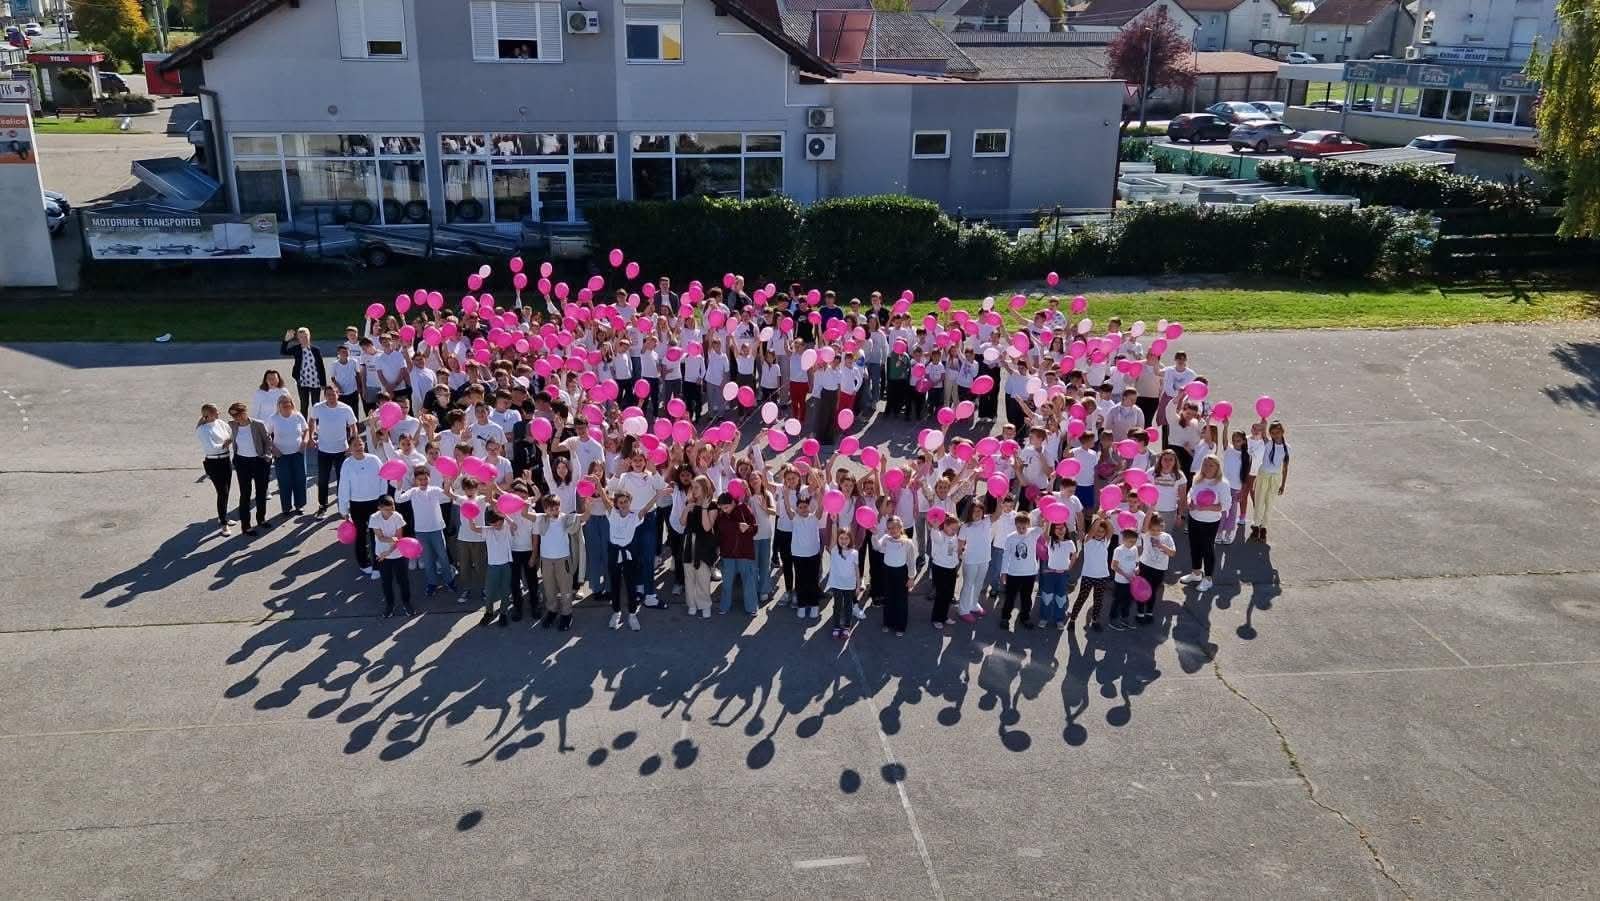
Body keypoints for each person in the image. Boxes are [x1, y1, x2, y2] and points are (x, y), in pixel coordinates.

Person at [597, 484, 661, 631]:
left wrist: (658, 495)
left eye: (626, 501)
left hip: (629, 553)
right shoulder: (612, 513)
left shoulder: (634, 516)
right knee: (615, 583)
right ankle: (616, 612)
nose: (624, 504)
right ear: (616, 504)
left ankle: (632, 614)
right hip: (614, 552)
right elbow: (604, 498)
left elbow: (647, 508)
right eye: (620, 502)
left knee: (631, 584)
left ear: (630, 502)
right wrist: (598, 483)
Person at [397, 465, 455, 596]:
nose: (423, 482)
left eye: (425, 479)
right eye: (420, 479)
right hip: (421, 531)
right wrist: (399, 486)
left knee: (443, 557)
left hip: (437, 529)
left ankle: (449, 581)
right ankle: (432, 583)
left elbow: (448, 497)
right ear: (415, 480)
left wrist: (447, 483)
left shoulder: (435, 490)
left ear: (429, 478)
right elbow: (398, 499)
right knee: (428, 559)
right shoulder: (413, 492)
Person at [337, 436, 386, 577]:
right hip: (357, 505)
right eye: (355, 445)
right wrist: (343, 508)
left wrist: (382, 499)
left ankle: (378, 564)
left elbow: (383, 479)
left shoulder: (374, 460)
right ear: (350, 448)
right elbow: (344, 487)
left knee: (376, 534)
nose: (359, 447)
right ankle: (364, 563)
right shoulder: (347, 464)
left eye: (360, 444)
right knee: (361, 535)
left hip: (374, 503)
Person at [1180, 455, 1230, 591]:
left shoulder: (1223, 483)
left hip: (1210, 522)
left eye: (1211, 465)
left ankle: (1208, 579)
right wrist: (1189, 501)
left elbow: (1225, 505)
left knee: (1207, 549)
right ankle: (1196, 573)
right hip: (1194, 518)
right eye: (1205, 465)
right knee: (1194, 547)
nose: (1207, 468)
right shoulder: (1197, 478)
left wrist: (1205, 508)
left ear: (1217, 468)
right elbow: (1191, 492)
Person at [309, 385, 357, 514]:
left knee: (343, 480)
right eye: (328, 394)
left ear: (338, 394)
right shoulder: (318, 407)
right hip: (323, 450)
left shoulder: (346, 409)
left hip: (342, 451)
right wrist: (311, 437)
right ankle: (322, 506)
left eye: (333, 394)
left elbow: (353, 427)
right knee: (323, 480)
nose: (331, 397)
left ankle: (343, 505)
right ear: (325, 396)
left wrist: (352, 446)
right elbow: (312, 421)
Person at [226, 401, 272, 536]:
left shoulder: (258, 424)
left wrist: (267, 455)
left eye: (239, 414)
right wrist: (228, 441)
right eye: (234, 416)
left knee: (261, 492)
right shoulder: (232, 425)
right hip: (242, 462)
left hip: (259, 461)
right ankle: (246, 526)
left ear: (245, 412)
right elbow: (214, 423)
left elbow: (267, 440)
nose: (237, 418)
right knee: (245, 494)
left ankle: (261, 519)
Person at [713, 490, 759, 616]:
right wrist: (738, 526)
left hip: (745, 553)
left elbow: (755, 528)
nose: (724, 510)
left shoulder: (744, 509)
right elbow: (722, 527)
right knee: (727, 583)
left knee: (749, 581)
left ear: (733, 502)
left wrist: (748, 528)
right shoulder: (721, 515)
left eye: (726, 507)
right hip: (728, 554)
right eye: (722, 508)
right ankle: (724, 606)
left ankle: (752, 607)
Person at [681, 476, 720, 619]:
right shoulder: (690, 502)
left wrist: (703, 508)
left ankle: (705, 605)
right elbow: (682, 522)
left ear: (704, 488)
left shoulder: (712, 505)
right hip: (688, 542)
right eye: (692, 487)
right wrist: (687, 508)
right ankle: (691, 604)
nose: (693, 490)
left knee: (703, 576)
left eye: (696, 487)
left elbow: (707, 527)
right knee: (689, 576)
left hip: (704, 544)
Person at [369, 496, 413, 617]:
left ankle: (406, 603)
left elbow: (399, 538)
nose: (391, 511)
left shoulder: (397, 516)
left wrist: (388, 552)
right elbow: (380, 537)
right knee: (386, 582)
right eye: (387, 509)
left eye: (392, 507)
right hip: (382, 556)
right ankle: (390, 605)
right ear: (380, 508)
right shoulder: (374, 518)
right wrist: (393, 541)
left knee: (403, 581)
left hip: (398, 555)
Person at [266, 394, 308, 518]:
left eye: (287, 402)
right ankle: (286, 507)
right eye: (282, 402)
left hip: (298, 453)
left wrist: (305, 441)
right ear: (278, 405)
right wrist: (273, 449)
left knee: (300, 480)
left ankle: (299, 505)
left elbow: (306, 430)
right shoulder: (273, 418)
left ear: (291, 403)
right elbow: (266, 435)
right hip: (281, 456)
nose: (285, 404)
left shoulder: (297, 416)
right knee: (285, 481)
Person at [1067, 516, 1113, 631]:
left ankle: (1095, 620)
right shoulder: (1088, 541)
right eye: (1097, 530)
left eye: (1102, 531)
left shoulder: (1105, 542)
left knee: (1098, 601)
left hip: (1102, 577)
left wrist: (1107, 519)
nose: (1099, 533)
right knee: (1081, 598)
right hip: (1088, 576)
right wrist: (1099, 518)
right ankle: (1072, 619)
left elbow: (1111, 530)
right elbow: (1092, 531)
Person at [873, 516, 917, 636]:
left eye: (894, 527)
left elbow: (911, 562)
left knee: (901, 599)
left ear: (900, 527)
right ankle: (888, 623)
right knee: (888, 597)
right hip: (888, 572)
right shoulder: (886, 539)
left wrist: (911, 577)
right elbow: (877, 547)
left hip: (901, 573)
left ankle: (900, 626)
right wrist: (875, 535)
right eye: (889, 528)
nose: (892, 530)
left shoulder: (907, 543)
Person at [785, 491, 823, 620]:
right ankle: (802, 605)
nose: (803, 509)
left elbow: (821, 507)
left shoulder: (814, 517)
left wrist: (821, 493)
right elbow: (787, 507)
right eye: (800, 507)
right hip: (798, 555)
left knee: (813, 580)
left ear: (809, 507)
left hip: (813, 555)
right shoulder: (795, 518)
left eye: (805, 506)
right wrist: (786, 494)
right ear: (797, 509)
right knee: (801, 580)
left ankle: (814, 605)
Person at [197, 404, 234, 536]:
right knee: (222, 491)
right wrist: (227, 443)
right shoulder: (202, 430)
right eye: (215, 412)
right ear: (208, 415)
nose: (218, 413)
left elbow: (231, 433)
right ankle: (223, 523)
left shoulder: (220, 423)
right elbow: (212, 447)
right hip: (214, 463)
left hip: (225, 460)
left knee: (226, 490)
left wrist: (230, 440)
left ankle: (223, 516)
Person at [1000, 511, 1041, 630]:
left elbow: (1044, 526)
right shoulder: (1010, 537)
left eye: (1024, 527)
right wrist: (1004, 572)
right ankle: (1005, 617)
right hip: (1013, 573)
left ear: (1028, 525)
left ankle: (1025, 617)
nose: (1021, 530)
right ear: (1015, 525)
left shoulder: (1033, 533)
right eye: (1018, 527)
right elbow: (1006, 555)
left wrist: (1045, 518)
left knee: (1026, 597)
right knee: (1010, 597)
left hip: (1030, 573)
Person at [1251, 420, 1289, 544]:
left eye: (1278, 432)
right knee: (1259, 501)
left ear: (1282, 432)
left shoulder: (1287, 448)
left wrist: (1283, 484)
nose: (1275, 435)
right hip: (1263, 475)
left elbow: (1285, 468)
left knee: (1269, 503)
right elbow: (1263, 435)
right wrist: (1264, 423)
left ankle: (1264, 527)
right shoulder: (1268, 444)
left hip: (1275, 478)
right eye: (1273, 433)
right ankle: (1256, 526)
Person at [1036, 520, 1079, 630]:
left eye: (1062, 527)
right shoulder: (1050, 541)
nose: (1060, 530)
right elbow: (1044, 534)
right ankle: (1044, 618)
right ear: (1053, 530)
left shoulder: (1069, 542)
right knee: (1047, 596)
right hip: (1050, 574)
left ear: (1066, 529)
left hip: (1063, 575)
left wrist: (1069, 567)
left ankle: (1059, 619)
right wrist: (1048, 522)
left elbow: (1074, 555)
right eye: (1057, 528)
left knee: (1061, 597)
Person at [1136, 513, 1176, 625]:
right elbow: (1146, 522)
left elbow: (1172, 553)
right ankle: (1140, 613)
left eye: (1158, 529)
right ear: (1149, 527)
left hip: (1159, 569)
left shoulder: (1167, 537)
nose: (1155, 532)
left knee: (1153, 591)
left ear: (1163, 526)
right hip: (1145, 566)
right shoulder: (1146, 534)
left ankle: (1149, 612)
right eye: (1153, 529)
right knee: (1142, 590)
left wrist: (1161, 546)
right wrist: (1151, 508)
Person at [956, 502, 992, 623]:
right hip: (970, 560)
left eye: (979, 511)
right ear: (970, 513)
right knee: (968, 584)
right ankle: (963, 610)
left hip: (985, 559)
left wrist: (999, 499)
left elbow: (998, 513)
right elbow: (960, 544)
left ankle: (973, 605)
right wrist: (957, 558)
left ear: (983, 512)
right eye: (974, 511)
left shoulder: (987, 520)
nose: (977, 513)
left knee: (979, 584)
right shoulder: (965, 526)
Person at [479, 508, 515, 628]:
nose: (496, 525)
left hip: (506, 565)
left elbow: (514, 525)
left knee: (505, 591)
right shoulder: (487, 530)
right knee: (490, 592)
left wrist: (504, 515)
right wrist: (470, 517)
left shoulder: (507, 527)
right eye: (493, 523)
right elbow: (473, 528)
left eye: (498, 522)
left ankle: (503, 613)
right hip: (492, 566)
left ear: (502, 520)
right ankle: (489, 612)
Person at [281, 327, 328, 416]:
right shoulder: (296, 349)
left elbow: (321, 367)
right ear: (298, 339)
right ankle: (303, 423)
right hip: (302, 381)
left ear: (309, 336)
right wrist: (286, 341)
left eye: (306, 336)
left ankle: (316, 423)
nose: (304, 339)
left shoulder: (316, 350)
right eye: (301, 337)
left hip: (315, 381)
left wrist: (323, 383)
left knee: (316, 405)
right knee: (304, 405)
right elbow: (283, 352)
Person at [927, 513, 961, 628]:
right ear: (945, 526)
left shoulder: (954, 537)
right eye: (952, 529)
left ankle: (944, 616)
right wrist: (935, 526)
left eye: (956, 529)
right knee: (941, 594)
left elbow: (953, 552)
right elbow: (935, 535)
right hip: (940, 568)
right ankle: (936, 618)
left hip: (951, 568)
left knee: (949, 594)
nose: (955, 531)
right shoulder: (939, 535)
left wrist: (955, 564)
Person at [826, 528, 860, 639]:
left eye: (846, 538)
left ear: (850, 539)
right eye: (841, 538)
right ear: (837, 539)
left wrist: (858, 585)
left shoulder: (854, 553)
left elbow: (857, 570)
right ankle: (836, 626)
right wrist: (834, 523)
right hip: (837, 585)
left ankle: (846, 627)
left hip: (849, 585)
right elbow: (833, 537)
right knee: (837, 606)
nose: (844, 541)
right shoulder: (834, 550)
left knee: (848, 607)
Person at [1108, 528, 1140, 630]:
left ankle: (1124, 619)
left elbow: (1136, 562)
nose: (1132, 544)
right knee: (1117, 600)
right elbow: (1113, 566)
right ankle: (1113, 620)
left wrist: (1137, 569)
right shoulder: (1118, 550)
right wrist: (1126, 576)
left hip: (1131, 581)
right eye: (1130, 541)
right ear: (1124, 539)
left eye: (1134, 541)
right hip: (1120, 582)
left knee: (1128, 601)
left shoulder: (1134, 548)